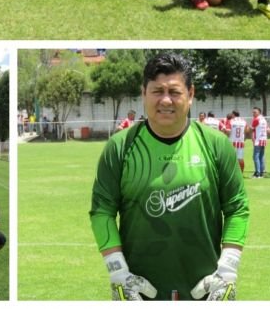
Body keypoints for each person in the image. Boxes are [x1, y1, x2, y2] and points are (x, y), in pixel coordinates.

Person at [90, 53, 249, 301]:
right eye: (157, 91)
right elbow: (102, 211)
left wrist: (228, 270)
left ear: (191, 94)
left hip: (206, 290)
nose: (166, 100)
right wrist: (117, 272)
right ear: (143, 93)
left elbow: (237, 208)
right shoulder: (119, 147)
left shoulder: (217, 145)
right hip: (138, 291)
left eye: (174, 92)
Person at [248, 107, 268, 179]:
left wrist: (252, 137)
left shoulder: (256, 119)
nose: (253, 114)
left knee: (255, 157)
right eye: (253, 112)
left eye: (255, 112)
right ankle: (261, 172)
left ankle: (258, 173)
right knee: (261, 156)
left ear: (259, 112)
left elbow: (251, 128)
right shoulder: (264, 119)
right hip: (263, 139)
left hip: (258, 140)